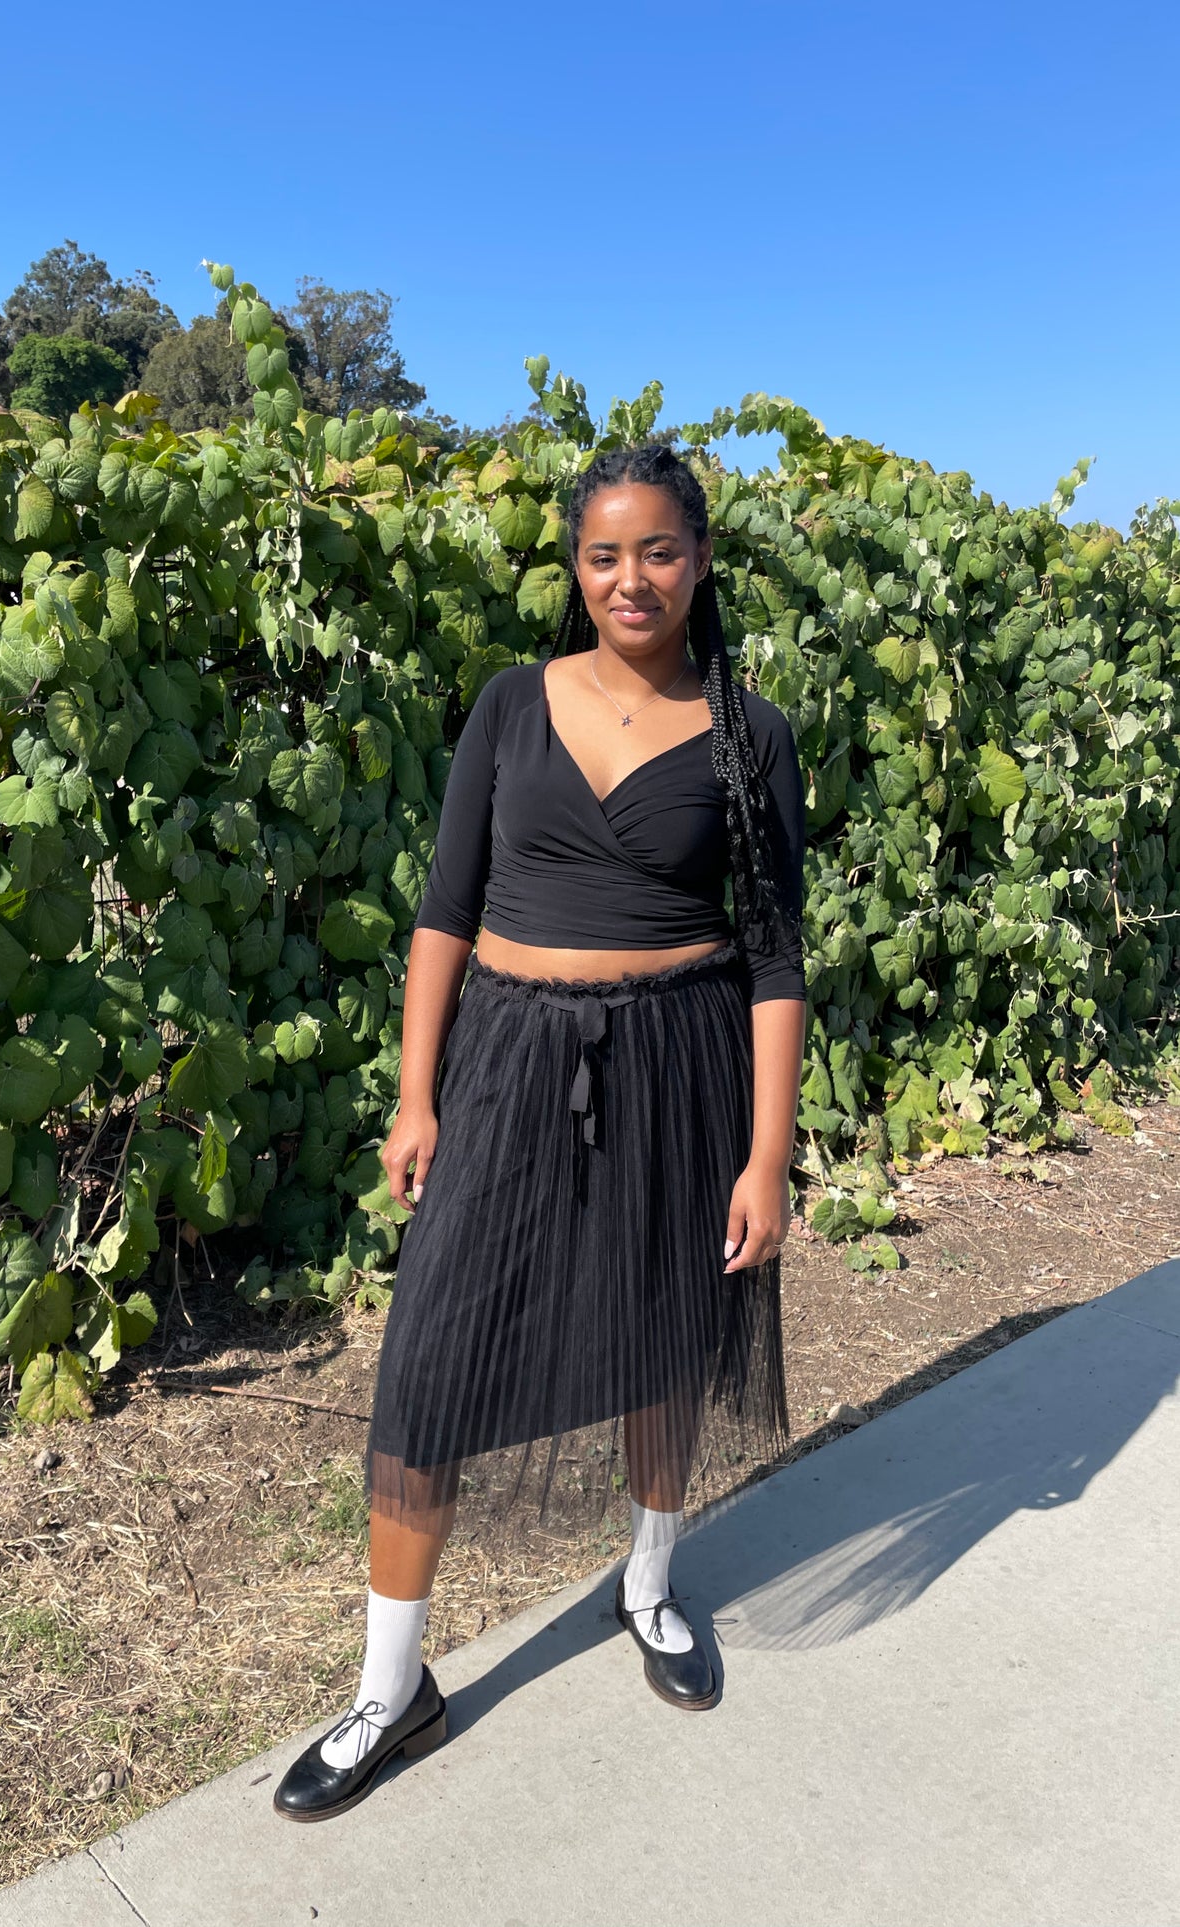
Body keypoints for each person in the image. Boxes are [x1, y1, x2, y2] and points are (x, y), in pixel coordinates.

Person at [273, 442, 808, 1822]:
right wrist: (414, 1091)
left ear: (699, 558)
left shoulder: (753, 738)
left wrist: (764, 1152)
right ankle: (392, 1688)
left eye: (658, 550)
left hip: (680, 1065)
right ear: (577, 570)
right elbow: (444, 908)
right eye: (602, 554)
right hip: (510, 1059)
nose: (631, 577)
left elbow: (772, 960)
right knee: (431, 1364)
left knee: (662, 1337)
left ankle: (647, 1584)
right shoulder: (512, 706)